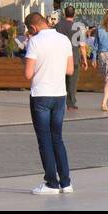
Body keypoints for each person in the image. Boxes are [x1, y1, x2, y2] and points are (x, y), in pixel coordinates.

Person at [24, 11, 74, 194]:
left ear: (33, 27)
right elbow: (70, 70)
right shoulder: (63, 39)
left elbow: (28, 74)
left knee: (44, 139)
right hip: (59, 93)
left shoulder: (35, 41)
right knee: (57, 138)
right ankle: (66, 182)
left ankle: (51, 182)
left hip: (41, 94)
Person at [54, 5, 88, 111]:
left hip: (60, 57)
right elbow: (82, 46)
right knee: (72, 82)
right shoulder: (79, 26)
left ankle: (58, 103)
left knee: (60, 81)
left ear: (64, 14)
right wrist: (85, 60)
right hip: (74, 57)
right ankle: (70, 103)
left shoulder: (58, 26)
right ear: (75, 14)